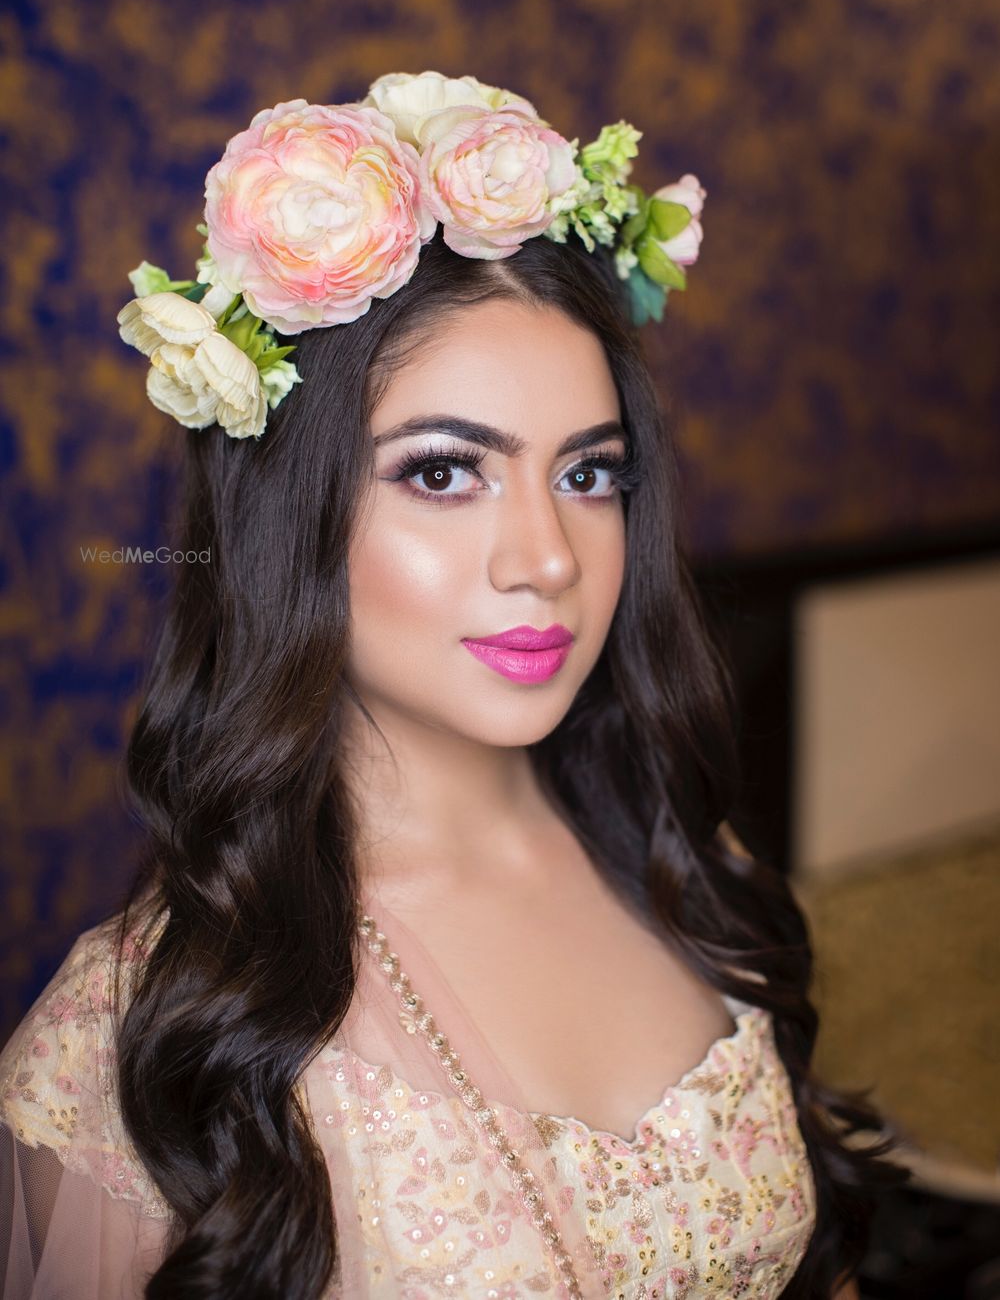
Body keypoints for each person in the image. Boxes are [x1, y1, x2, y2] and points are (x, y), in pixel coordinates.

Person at [0, 73, 904, 1298]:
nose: (545, 558)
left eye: (588, 477)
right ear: (292, 519)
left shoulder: (679, 861)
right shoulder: (143, 1032)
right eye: (443, 473)